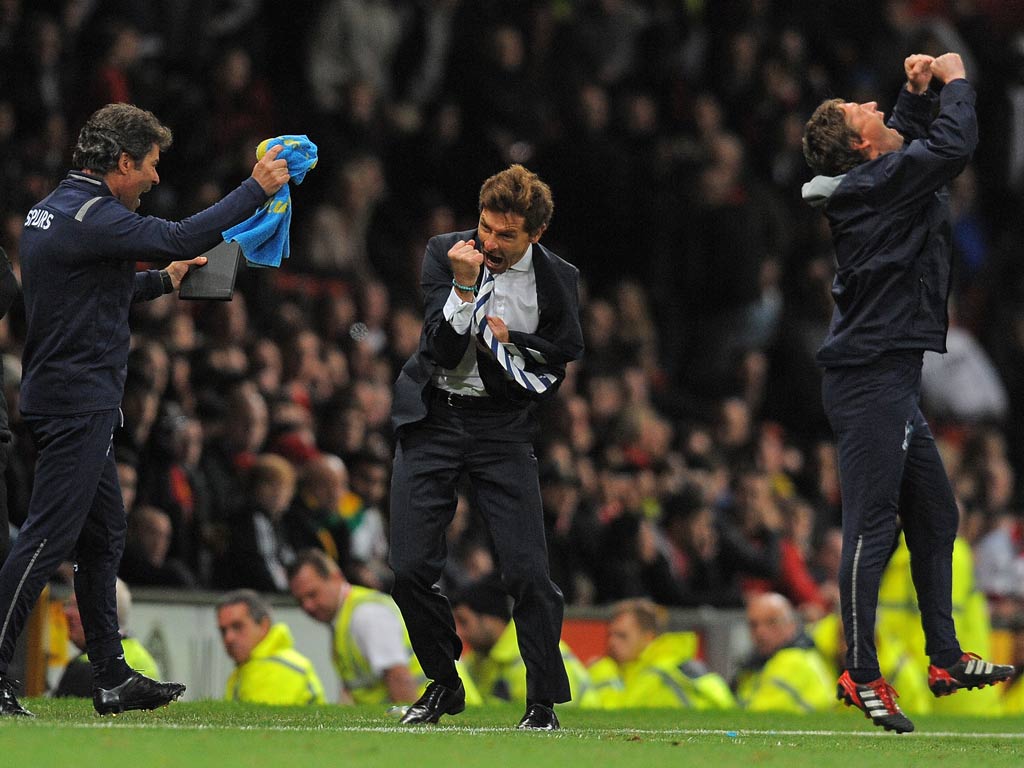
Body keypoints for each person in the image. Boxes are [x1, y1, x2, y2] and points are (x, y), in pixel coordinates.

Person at [0, 102, 290, 718]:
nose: (157, 178)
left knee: (103, 536)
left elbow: (88, 291)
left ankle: (109, 675)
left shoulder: (58, 211)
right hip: (77, 402)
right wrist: (255, 188)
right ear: (124, 162)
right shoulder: (93, 215)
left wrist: (163, 280)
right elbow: (180, 234)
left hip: (74, 398)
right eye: (152, 166)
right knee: (48, 539)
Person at [801, 52, 1014, 734]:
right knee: (873, 523)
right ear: (862, 144)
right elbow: (951, 146)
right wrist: (954, 79)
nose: (876, 110)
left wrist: (913, 94)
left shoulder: (876, 174)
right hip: (870, 375)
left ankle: (945, 659)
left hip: (889, 371)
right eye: (864, 111)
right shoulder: (878, 182)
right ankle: (860, 672)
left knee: (938, 514)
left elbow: (905, 136)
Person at [388, 164, 583, 730]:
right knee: (408, 569)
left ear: (535, 235)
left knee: (526, 571)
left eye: (506, 235)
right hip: (433, 417)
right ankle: (445, 683)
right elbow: (441, 350)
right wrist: (464, 286)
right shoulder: (445, 253)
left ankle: (542, 703)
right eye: (485, 228)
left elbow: (564, 348)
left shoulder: (557, 279)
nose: (490, 243)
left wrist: (511, 341)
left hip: (502, 427)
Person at [287, 548, 422, 705]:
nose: (307, 606)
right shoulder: (344, 617)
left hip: (438, 712)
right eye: (300, 601)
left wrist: (414, 726)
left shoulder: (365, 615)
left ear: (336, 577)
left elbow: (399, 678)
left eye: (312, 594)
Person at [450, 576, 592, 708]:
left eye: (464, 621)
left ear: (491, 620)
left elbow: (553, 720)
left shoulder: (533, 654)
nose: (459, 632)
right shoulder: (477, 659)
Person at [585, 598, 735, 711]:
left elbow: (616, 716)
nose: (612, 642)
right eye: (610, 635)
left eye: (622, 636)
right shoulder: (649, 668)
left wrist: (602, 671)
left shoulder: (658, 673)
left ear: (648, 638)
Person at [216, 589, 326, 706]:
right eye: (223, 631)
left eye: (237, 626)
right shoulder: (249, 668)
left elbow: (259, 722)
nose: (229, 638)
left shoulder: (276, 669)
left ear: (264, 625)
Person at [53, 579, 160, 698]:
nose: (67, 613)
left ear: (103, 615)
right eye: (68, 604)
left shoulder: (87, 668)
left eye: (77, 606)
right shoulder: (144, 658)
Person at [732, 592, 835, 714]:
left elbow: (756, 714)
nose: (760, 632)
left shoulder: (793, 660)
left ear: (791, 624)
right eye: (753, 625)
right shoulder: (759, 663)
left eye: (771, 622)